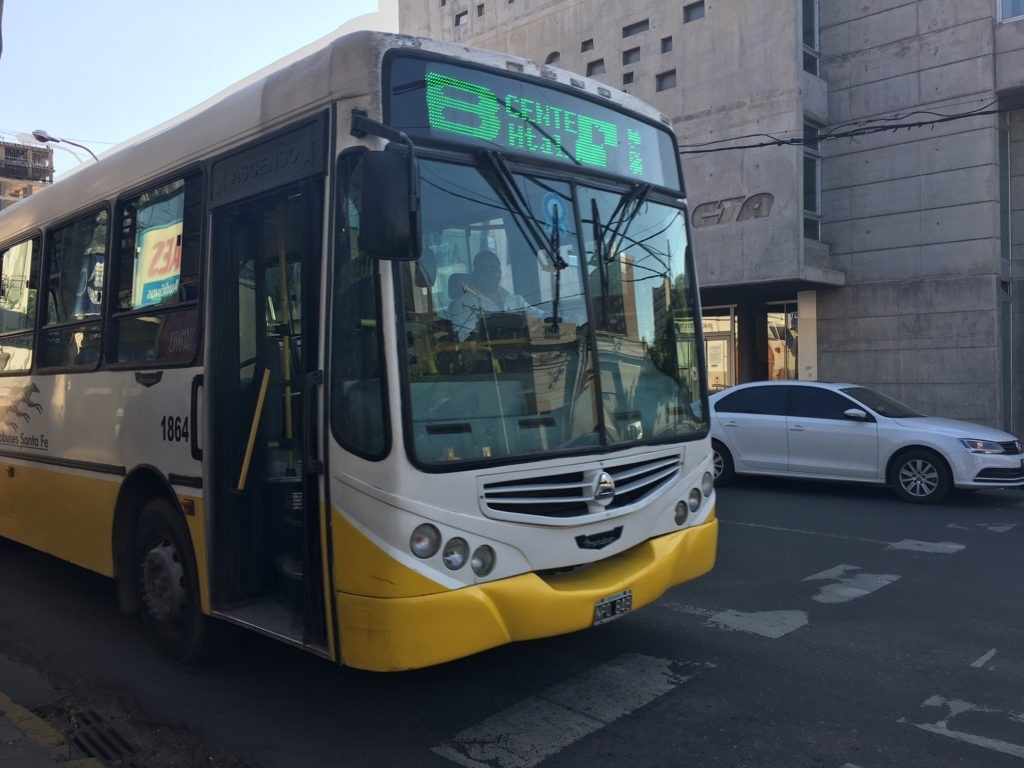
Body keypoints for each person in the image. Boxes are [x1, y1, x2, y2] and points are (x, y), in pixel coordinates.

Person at [448, 250, 536, 340]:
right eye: (484, 270)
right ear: (474, 274)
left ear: (500, 273)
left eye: (494, 269)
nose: (490, 274)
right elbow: (464, 340)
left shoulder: (516, 300)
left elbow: (539, 317)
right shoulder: (464, 304)